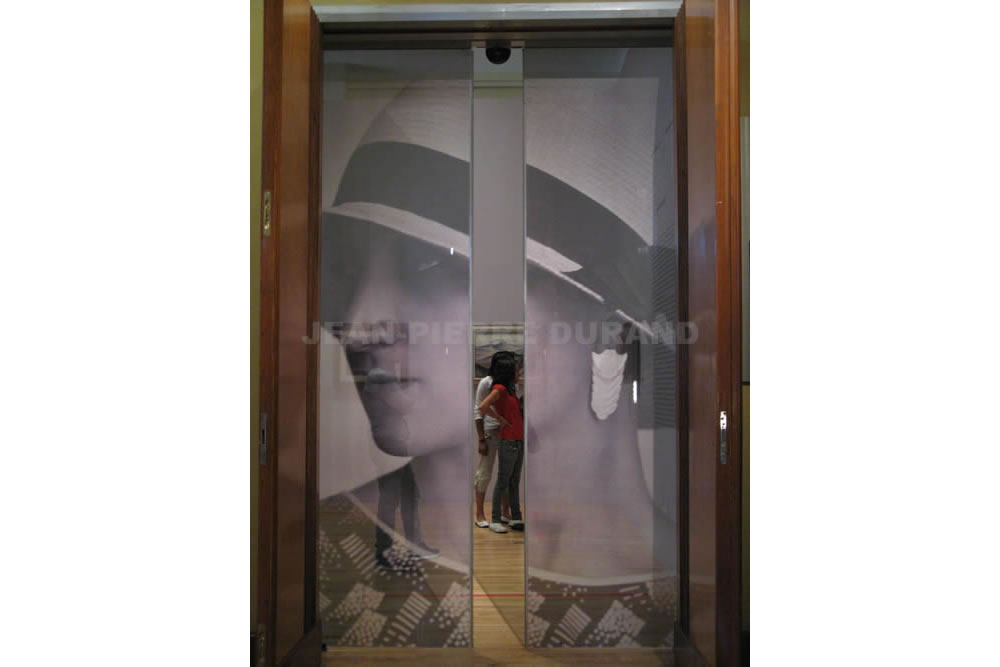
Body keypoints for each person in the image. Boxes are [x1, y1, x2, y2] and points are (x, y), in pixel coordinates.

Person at [477, 355, 525, 534]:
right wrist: (499, 418)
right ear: (508, 371)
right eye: (516, 369)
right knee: (501, 479)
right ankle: (494, 518)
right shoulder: (499, 388)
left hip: (518, 438)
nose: (520, 372)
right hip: (506, 438)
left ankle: (514, 516)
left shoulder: (511, 389)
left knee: (514, 480)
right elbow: (482, 407)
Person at [473, 351, 514, 528]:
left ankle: (505, 511)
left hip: (508, 433)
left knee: (506, 473)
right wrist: (481, 439)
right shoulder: (486, 382)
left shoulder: (510, 384)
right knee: (484, 473)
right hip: (490, 432)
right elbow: (478, 410)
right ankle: (479, 513)